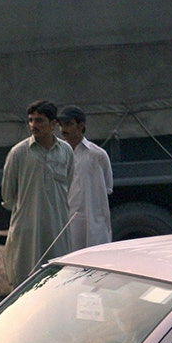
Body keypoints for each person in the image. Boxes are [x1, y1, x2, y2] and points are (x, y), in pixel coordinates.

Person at [1, 99, 74, 287]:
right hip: (27, 229)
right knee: (25, 281)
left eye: (39, 120)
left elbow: (69, 184)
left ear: (53, 124)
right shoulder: (18, 153)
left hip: (56, 226)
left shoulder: (65, 151)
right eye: (31, 120)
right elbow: (8, 195)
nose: (34, 125)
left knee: (58, 281)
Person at [57, 104, 113, 251]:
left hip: (92, 221)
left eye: (68, 124)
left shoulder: (97, 155)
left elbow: (107, 187)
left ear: (81, 125)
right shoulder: (57, 155)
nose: (63, 130)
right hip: (66, 222)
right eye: (61, 125)